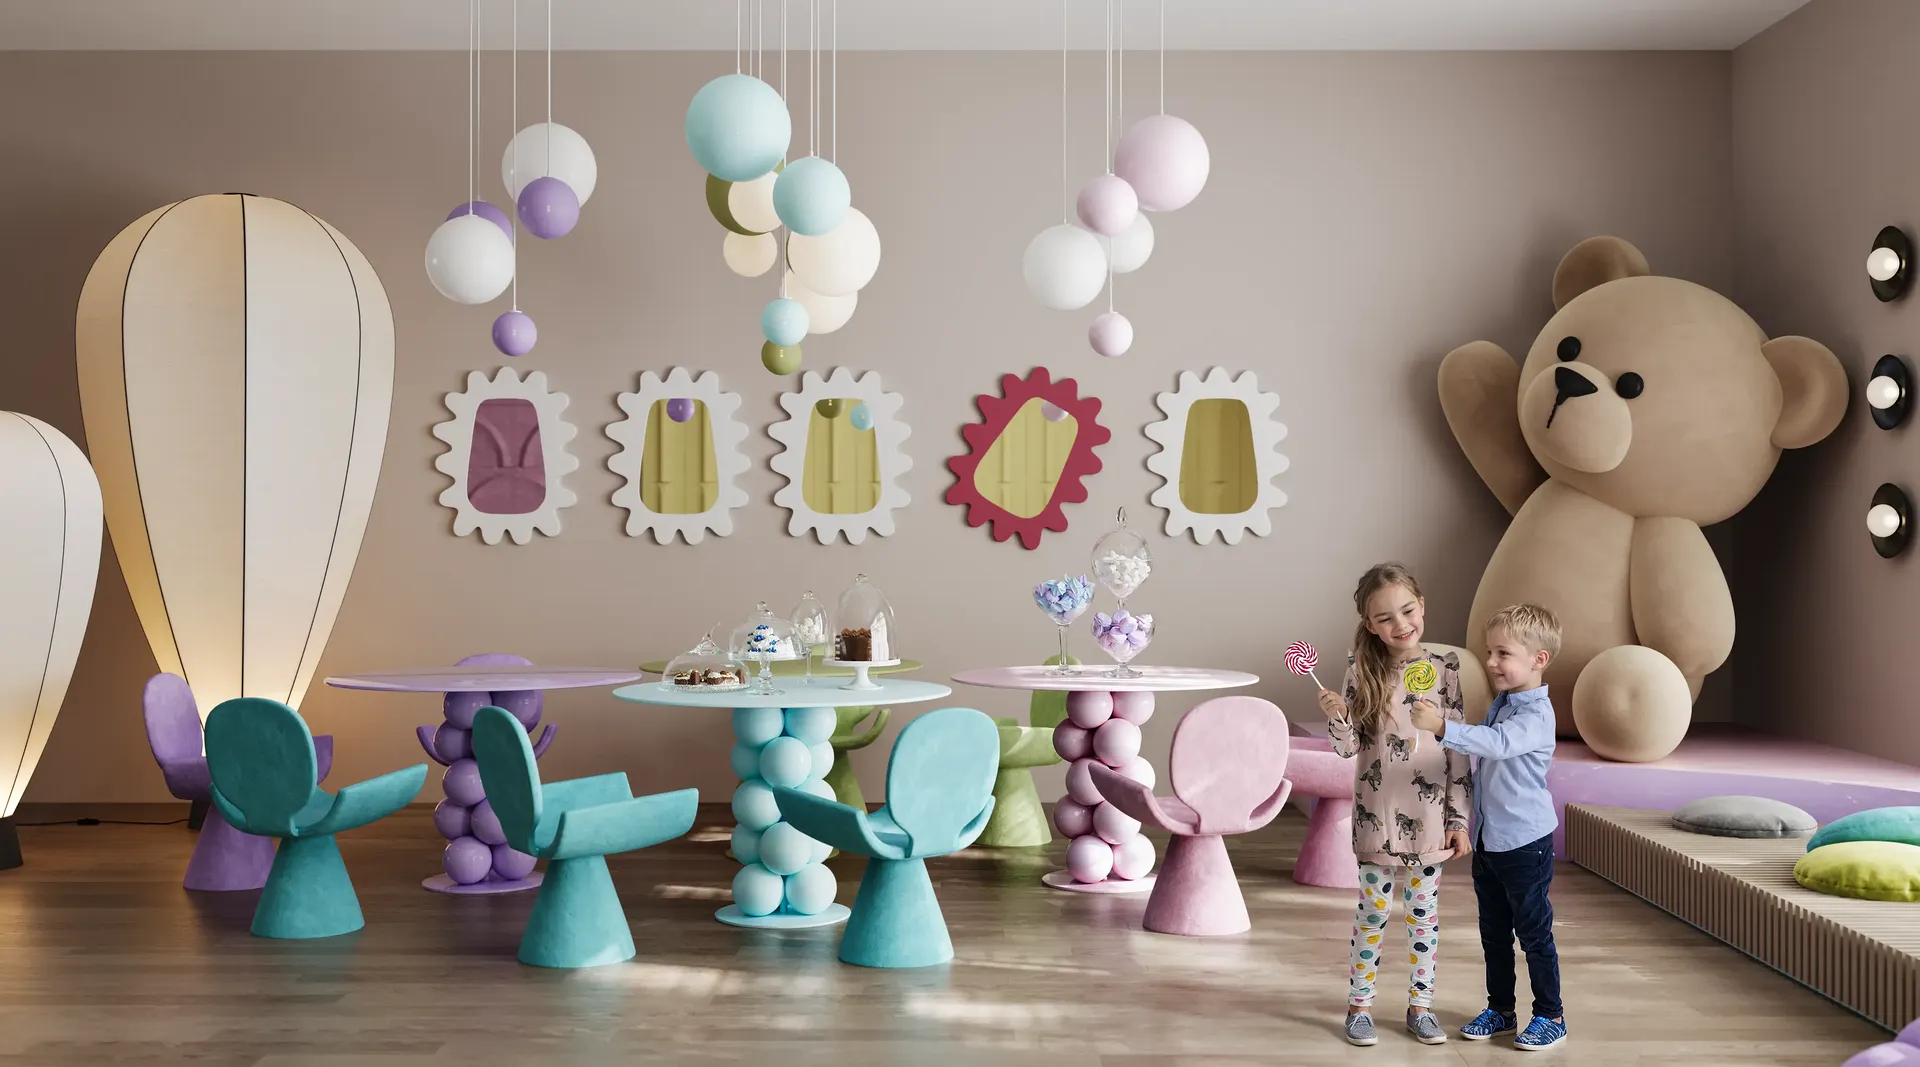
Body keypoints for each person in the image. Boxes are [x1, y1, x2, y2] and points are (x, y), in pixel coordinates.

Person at [1316, 562, 1470, 1048]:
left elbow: (1458, 750)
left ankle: (1420, 1006)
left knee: (1423, 915)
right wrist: (1338, 719)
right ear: (1369, 624)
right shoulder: (1360, 669)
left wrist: (1458, 818)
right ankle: (1359, 1007)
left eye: (1407, 610)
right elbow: (1346, 749)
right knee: (1373, 913)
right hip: (1376, 816)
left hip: (1429, 819)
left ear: (1421, 606)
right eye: (1385, 618)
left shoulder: (1445, 668)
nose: (1400, 624)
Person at [1409, 603, 1567, 1051]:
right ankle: (1501, 1009)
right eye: (1489, 652)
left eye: (1503, 654)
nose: (1493, 662)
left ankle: (1550, 1015)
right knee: (1494, 933)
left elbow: (1497, 745)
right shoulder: (1505, 703)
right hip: (1491, 842)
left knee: (1533, 933)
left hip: (1524, 844)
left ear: (1539, 659)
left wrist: (1443, 726)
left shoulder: (1535, 714)